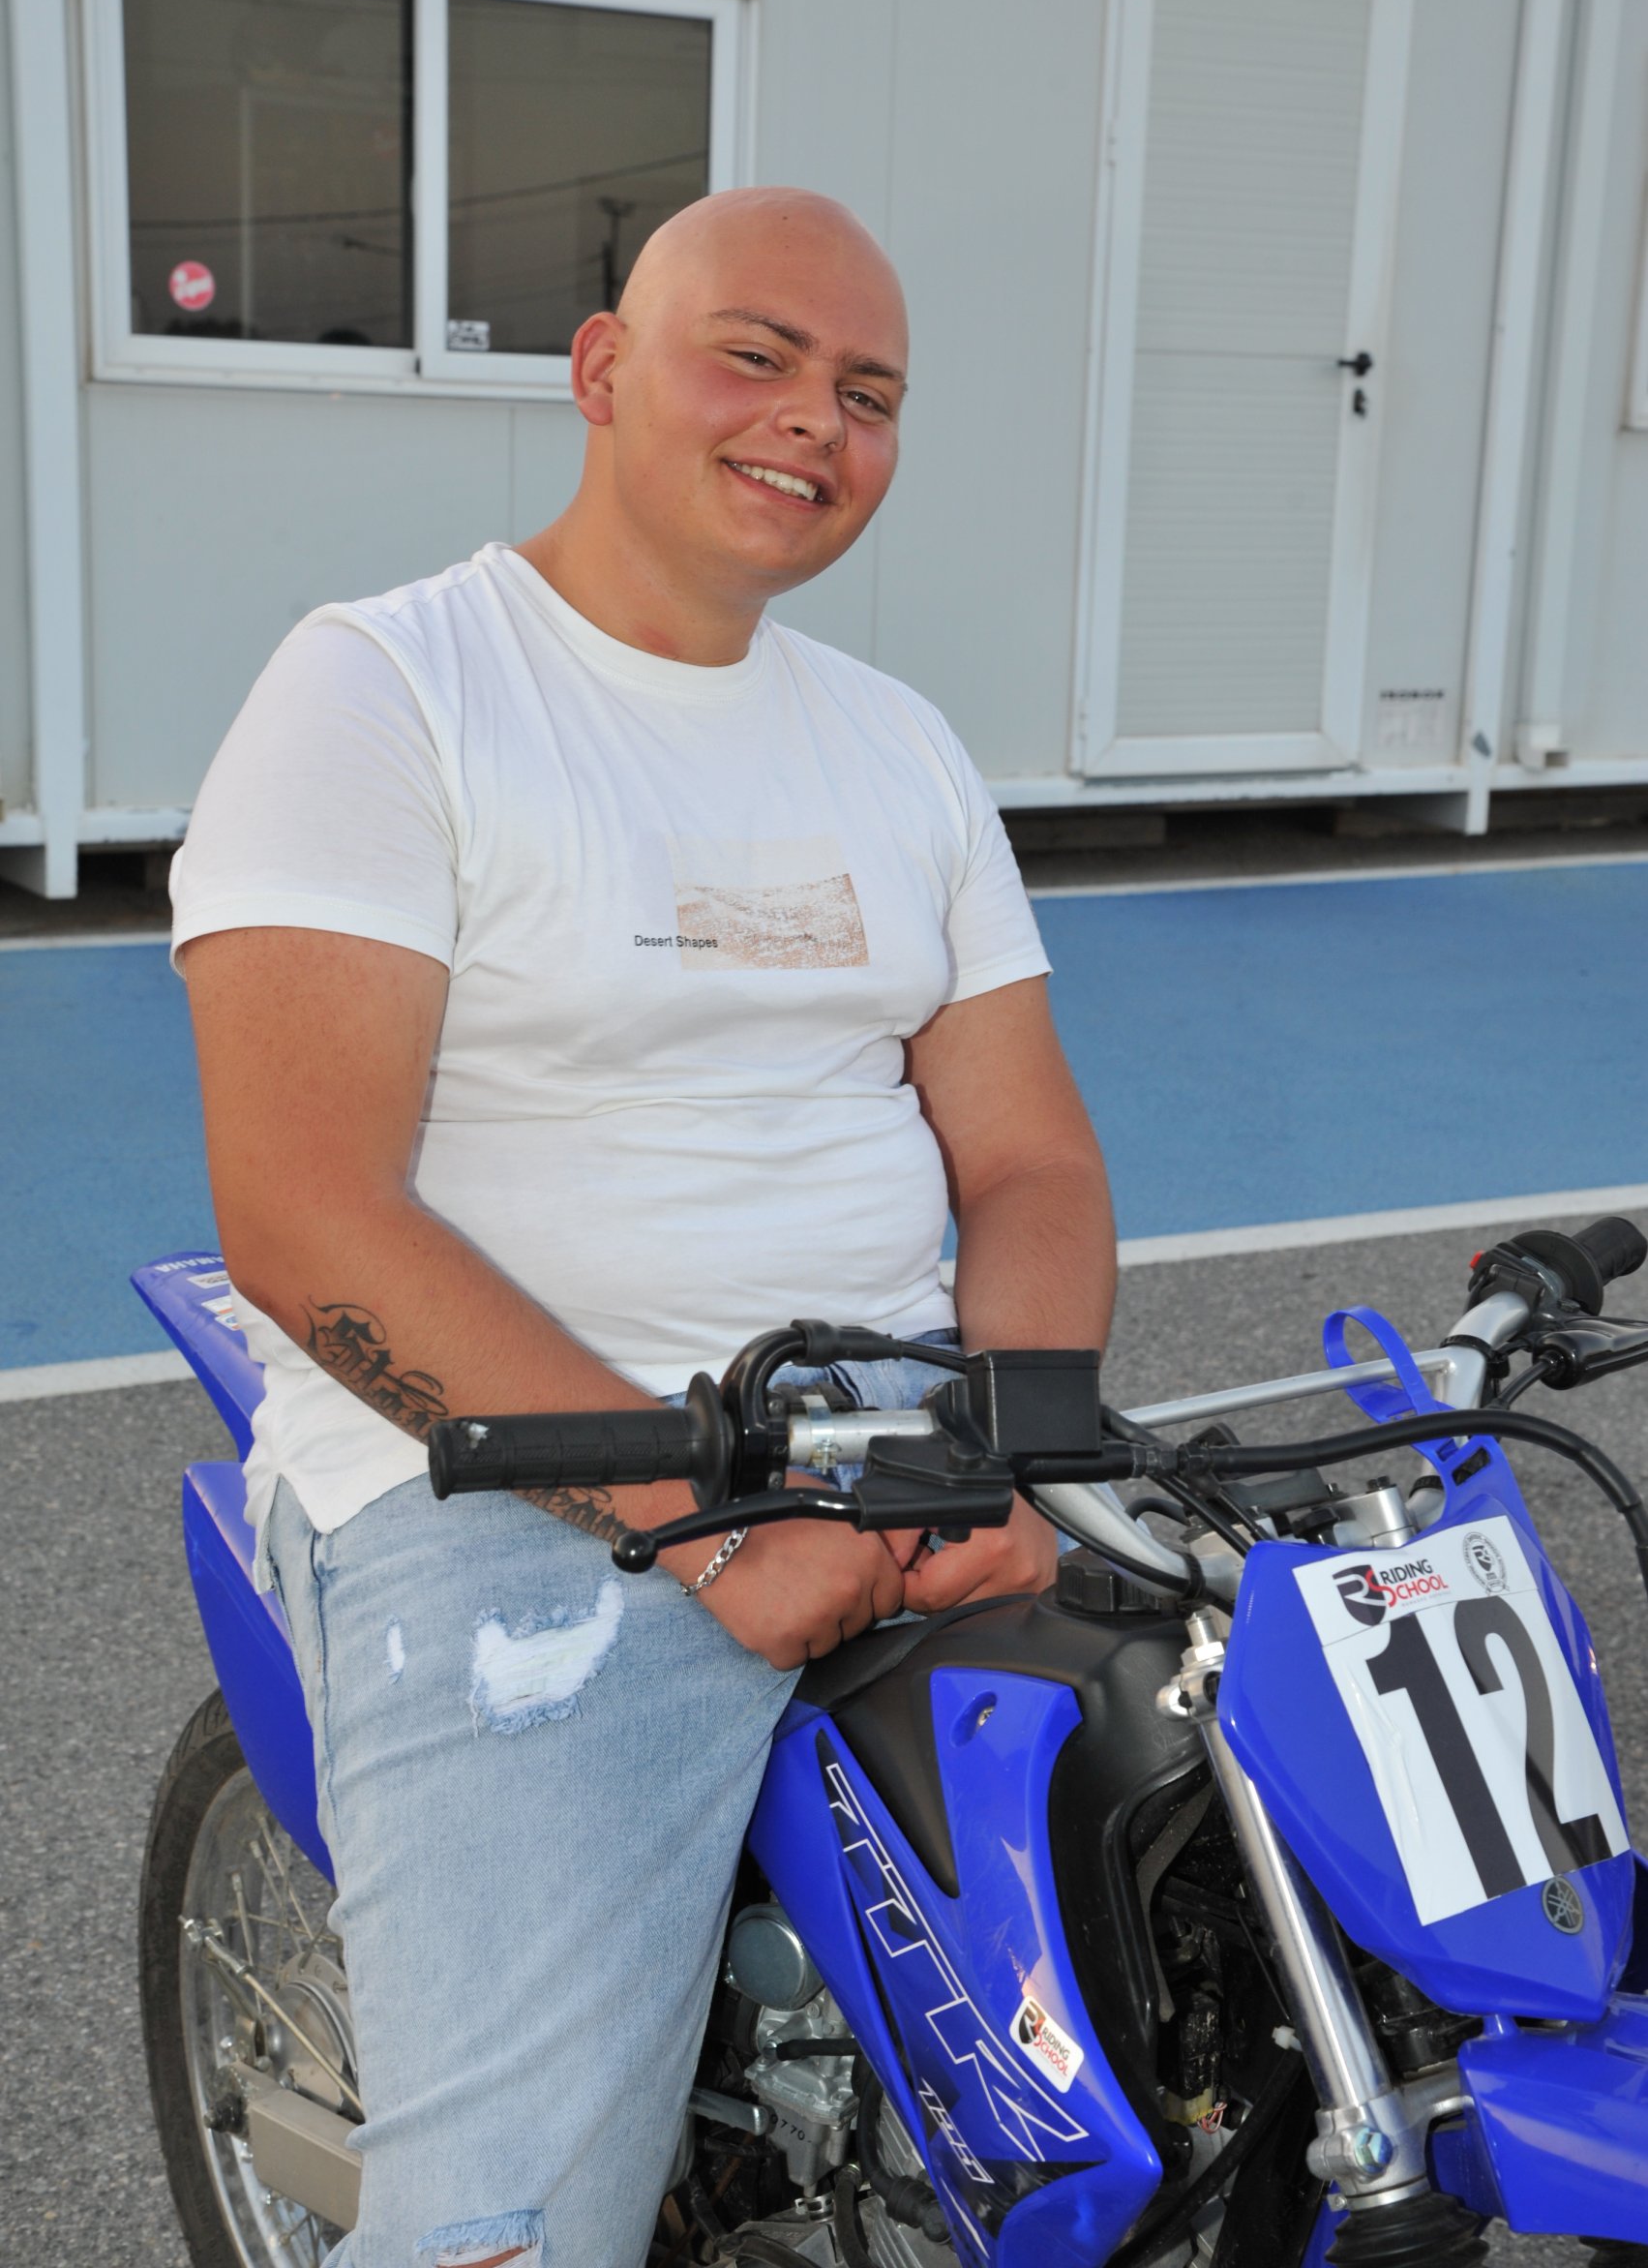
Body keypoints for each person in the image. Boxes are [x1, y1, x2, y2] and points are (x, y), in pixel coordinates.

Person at [172, 187, 1116, 2268]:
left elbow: (1029, 1164)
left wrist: (1011, 1450)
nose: (816, 421)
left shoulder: (899, 745)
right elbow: (309, 1211)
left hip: (901, 1444)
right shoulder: (387, 688)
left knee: (1230, 1932)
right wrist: (706, 1526)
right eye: (755, 356)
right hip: (510, 1483)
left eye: (869, 392)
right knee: (511, 2228)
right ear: (603, 371)